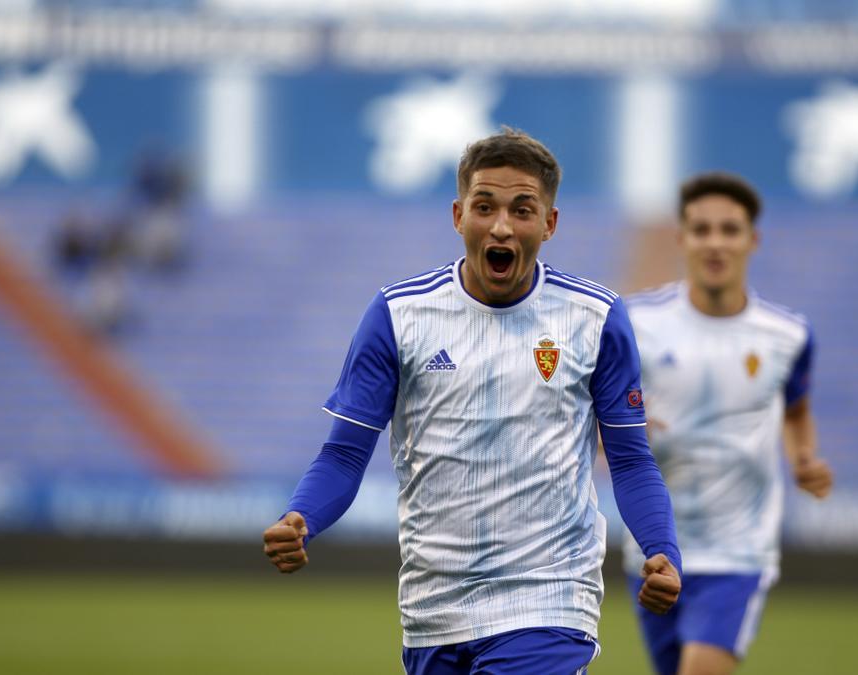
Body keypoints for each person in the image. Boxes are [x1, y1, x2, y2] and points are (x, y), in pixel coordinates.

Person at [263, 128, 682, 674]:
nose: (502, 226)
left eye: (522, 209)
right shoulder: (398, 314)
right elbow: (344, 453)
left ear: (549, 224)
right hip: (433, 611)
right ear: (459, 215)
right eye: (485, 207)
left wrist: (661, 550)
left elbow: (629, 458)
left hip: (550, 600)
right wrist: (302, 517)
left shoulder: (595, 318)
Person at [621, 172, 833, 675]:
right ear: (682, 239)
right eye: (702, 229)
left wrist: (804, 458)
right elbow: (598, 409)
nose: (715, 242)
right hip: (654, 549)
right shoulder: (633, 323)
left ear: (752, 239)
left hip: (739, 549)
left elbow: (797, 410)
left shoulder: (788, 335)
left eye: (729, 230)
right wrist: (619, 430)